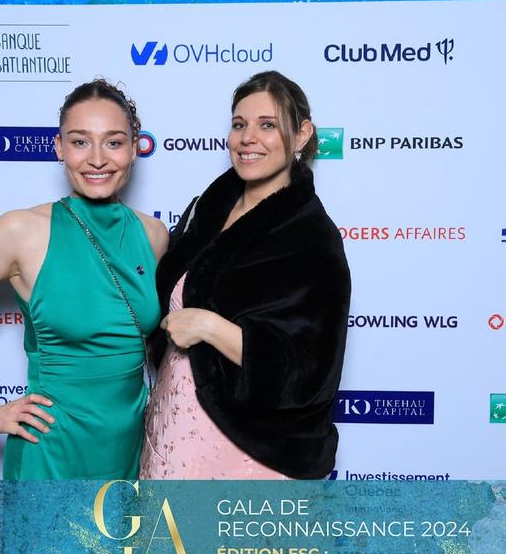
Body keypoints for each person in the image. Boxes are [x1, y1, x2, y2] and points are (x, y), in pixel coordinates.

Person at [0, 79, 168, 480]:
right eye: (80, 142)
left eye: (113, 142)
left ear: (134, 148)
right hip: (52, 448)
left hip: (127, 444)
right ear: (59, 148)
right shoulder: (21, 230)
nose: (97, 159)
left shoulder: (153, 235)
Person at [140, 70, 351, 480]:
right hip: (171, 426)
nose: (248, 138)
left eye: (267, 125)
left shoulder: (313, 239)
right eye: (239, 124)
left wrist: (209, 326)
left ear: (302, 134)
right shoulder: (207, 207)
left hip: (246, 449)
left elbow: (311, 374)